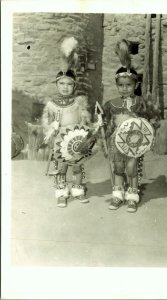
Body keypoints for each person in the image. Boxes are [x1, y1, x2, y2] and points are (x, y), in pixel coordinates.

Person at [42, 38, 92, 208]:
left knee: (77, 167)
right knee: (61, 168)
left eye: (69, 84)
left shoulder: (79, 103)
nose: (65, 87)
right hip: (59, 142)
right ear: (57, 85)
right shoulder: (51, 104)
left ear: (74, 86)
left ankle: (78, 190)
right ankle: (61, 193)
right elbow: (45, 122)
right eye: (61, 84)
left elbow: (85, 122)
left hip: (76, 141)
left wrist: (87, 133)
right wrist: (51, 129)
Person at [103, 40, 147, 213]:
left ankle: (132, 195)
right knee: (119, 167)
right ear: (117, 86)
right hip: (117, 141)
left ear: (135, 85)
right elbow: (106, 120)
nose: (124, 89)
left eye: (128, 85)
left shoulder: (140, 102)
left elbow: (148, 121)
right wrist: (102, 123)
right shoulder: (111, 104)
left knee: (132, 167)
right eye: (120, 85)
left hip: (134, 141)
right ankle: (118, 194)